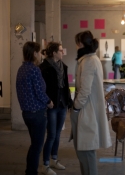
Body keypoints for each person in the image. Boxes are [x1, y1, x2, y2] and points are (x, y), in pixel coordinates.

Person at [70, 30, 112, 175]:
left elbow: (85, 90)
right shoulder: (92, 59)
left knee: (86, 153)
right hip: (89, 110)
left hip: (86, 111)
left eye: (76, 43)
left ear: (80, 44)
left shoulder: (88, 61)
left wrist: (76, 108)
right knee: (86, 153)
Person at [16, 41, 54, 175]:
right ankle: (31, 172)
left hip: (26, 113)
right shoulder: (34, 69)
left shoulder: (21, 69)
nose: (40, 55)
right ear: (34, 53)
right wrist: (49, 101)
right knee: (37, 147)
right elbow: (39, 91)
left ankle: (30, 170)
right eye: (38, 52)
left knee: (34, 145)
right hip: (37, 113)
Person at [39, 42, 72, 175]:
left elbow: (66, 86)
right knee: (51, 134)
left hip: (62, 104)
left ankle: (54, 159)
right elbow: (42, 88)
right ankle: (45, 164)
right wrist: (47, 101)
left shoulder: (63, 66)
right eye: (60, 50)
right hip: (51, 105)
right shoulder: (44, 67)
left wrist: (69, 101)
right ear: (53, 53)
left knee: (57, 134)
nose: (62, 52)